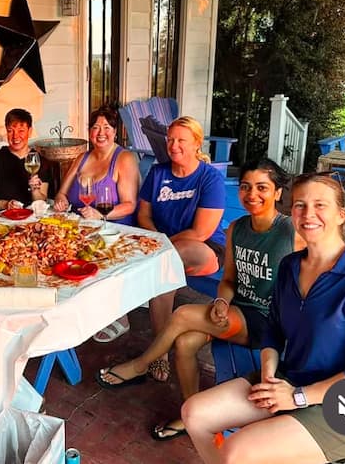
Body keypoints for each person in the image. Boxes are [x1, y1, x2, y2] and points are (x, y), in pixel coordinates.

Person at [181, 172, 345, 464]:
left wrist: (299, 396)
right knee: (194, 414)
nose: (308, 214)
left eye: (320, 205)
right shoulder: (290, 266)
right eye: (300, 205)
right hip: (290, 378)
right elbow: (273, 329)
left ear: (341, 215)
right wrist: (269, 377)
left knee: (237, 452)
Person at [97, 158, 305, 441]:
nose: (252, 194)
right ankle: (190, 417)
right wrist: (221, 302)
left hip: (268, 323)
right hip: (236, 312)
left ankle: (141, 364)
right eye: (246, 187)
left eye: (262, 188)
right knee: (184, 343)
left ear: (278, 192)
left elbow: (331, 255)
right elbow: (229, 280)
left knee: (182, 314)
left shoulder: (290, 231)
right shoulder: (237, 229)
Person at [137, 115, 226, 381]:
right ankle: (160, 354)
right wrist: (156, 239)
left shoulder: (209, 178)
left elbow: (201, 232)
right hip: (164, 248)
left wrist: (160, 245)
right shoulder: (158, 173)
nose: (174, 146)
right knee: (164, 275)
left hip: (204, 249)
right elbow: (143, 214)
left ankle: (157, 351)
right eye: (170, 140)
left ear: (197, 144)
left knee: (168, 261)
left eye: (181, 140)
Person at [53, 106, 140, 342]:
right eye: (95, 127)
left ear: (115, 131)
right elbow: (61, 193)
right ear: (89, 131)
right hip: (80, 227)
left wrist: (100, 215)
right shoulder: (81, 158)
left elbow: (130, 205)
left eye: (107, 127)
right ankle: (75, 310)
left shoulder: (124, 158)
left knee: (93, 253)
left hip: (114, 229)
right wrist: (61, 201)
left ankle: (120, 316)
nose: (101, 132)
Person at [0, 108, 53, 212]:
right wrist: (6, 205)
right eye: (10, 131)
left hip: (28, 217)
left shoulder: (39, 161)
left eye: (21, 131)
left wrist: (35, 190)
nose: (15, 136)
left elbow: (41, 201)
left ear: (30, 131)